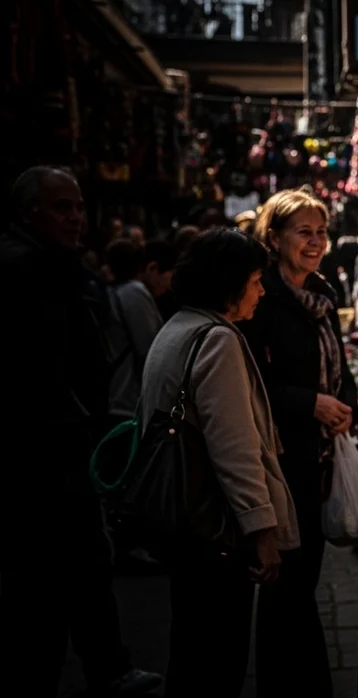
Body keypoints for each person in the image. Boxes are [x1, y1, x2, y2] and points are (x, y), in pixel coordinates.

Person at [0, 166, 162, 696]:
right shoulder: (25, 270)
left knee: (86, 563)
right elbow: (42, 369)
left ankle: (107, 666)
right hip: (43, 451)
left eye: (77, 206)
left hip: (67, 443)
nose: (74, 217)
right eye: (60, 207)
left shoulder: (56, 266)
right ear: (29, 214)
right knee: (52, 574)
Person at [138, 228, 298, 698]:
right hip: (213, 528)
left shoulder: (177, 326)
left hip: (182, 525)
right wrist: (263, 532)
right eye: (254, 280)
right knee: (216, 656)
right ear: (228, 283)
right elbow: (236, 449)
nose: (262, 291)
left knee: (190, 647)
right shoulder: (217, 340)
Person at [239, 188, 357, 698]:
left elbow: (340, 368)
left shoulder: (323, 294)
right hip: (280, 458)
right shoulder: (259, 296)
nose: (315, 242)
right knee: (285, 586)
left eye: (321, 232)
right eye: (303, 232)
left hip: (320, 457)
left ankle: (309, 682)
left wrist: (344, 403)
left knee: (305, 579)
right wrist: (310, 403)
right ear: (275, 236)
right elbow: (252, 382)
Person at [105, 239, 178, 423]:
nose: (170, 284)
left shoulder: (124, 291)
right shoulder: (134, 292)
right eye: (170, 274)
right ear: (152, 268)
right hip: (127, 402)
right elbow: (150, 350)